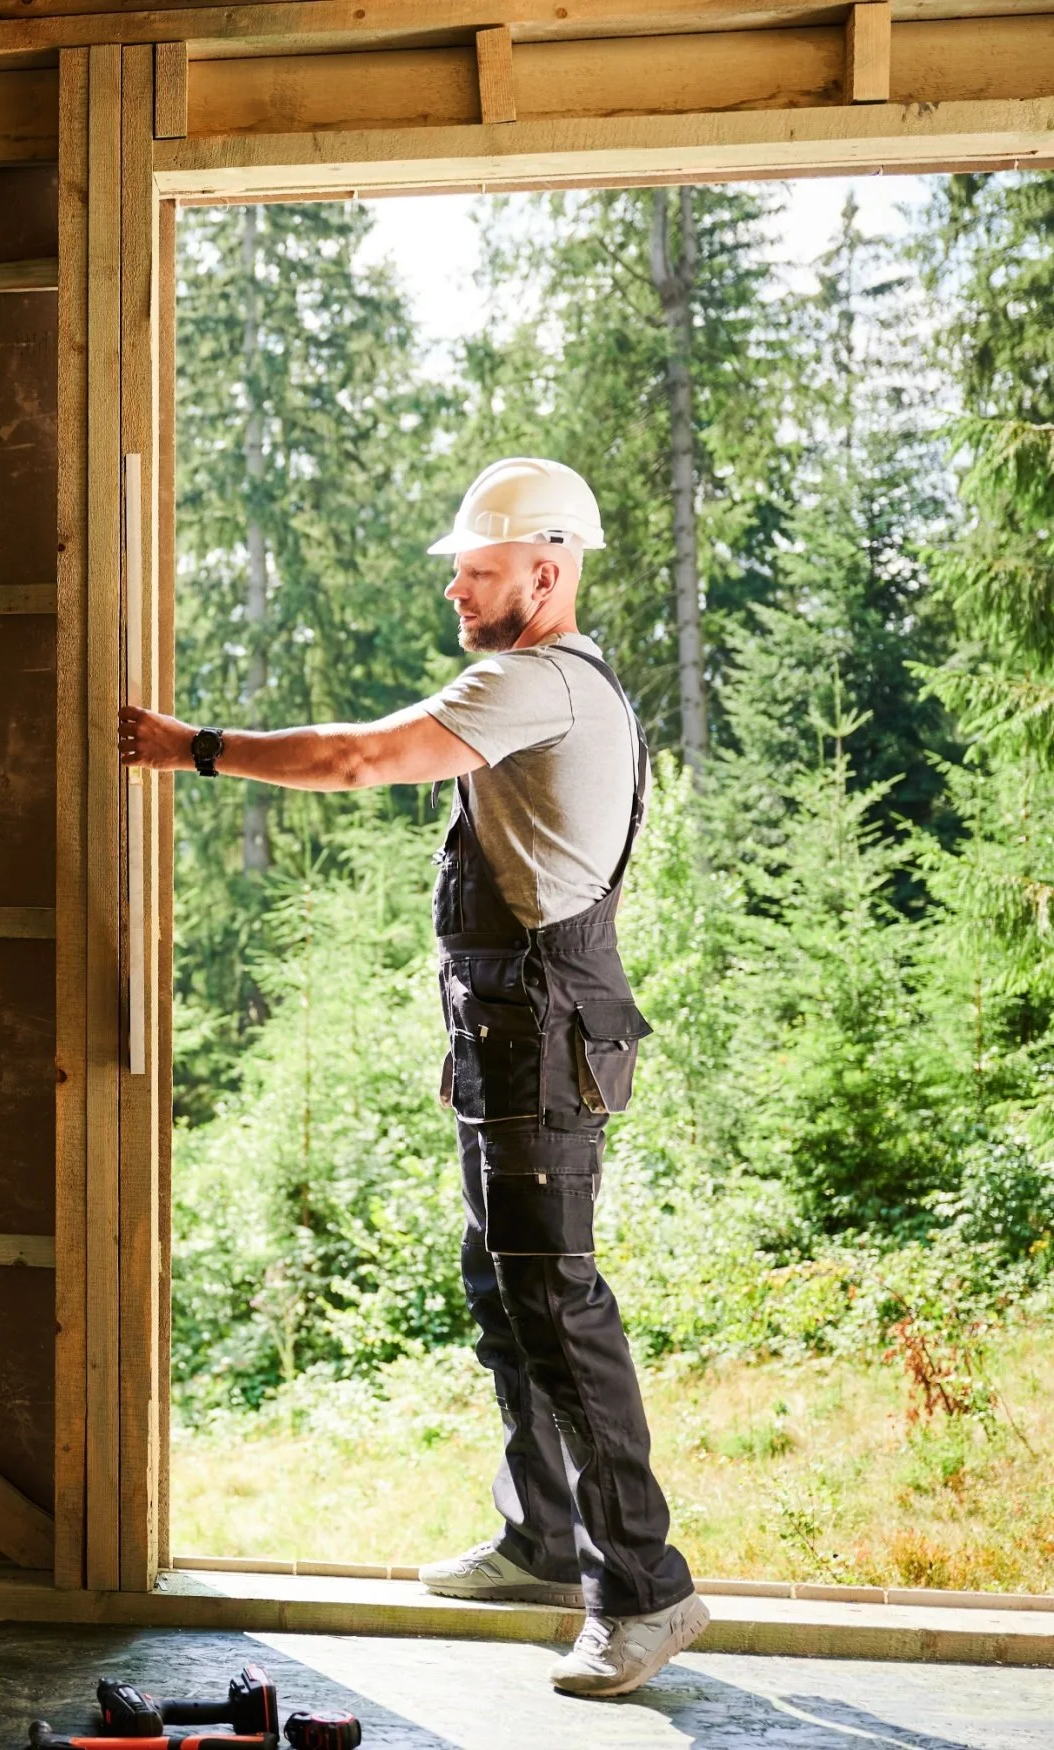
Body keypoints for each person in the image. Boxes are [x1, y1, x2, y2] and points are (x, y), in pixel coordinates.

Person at [118, 457, 706, 1699]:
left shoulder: (531, 678)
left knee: (557, 1306)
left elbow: (353, 759)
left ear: (545, 573)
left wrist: (193, 748)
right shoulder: (554, 683)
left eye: (478, 569)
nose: (454, 585)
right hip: (513, 1037)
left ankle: (645, 1592)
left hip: (540, 1035)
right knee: (503, 1291)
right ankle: (544, 1540)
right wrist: (468, 1045)